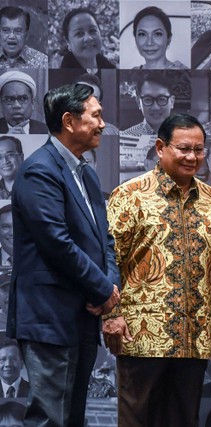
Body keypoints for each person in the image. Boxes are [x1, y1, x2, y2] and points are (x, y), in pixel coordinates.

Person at [103, 113, 211, 427]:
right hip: (142, 336)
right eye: (183, 148)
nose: (192, 157)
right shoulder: (130, 194)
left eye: (199, 150)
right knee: (137, 420)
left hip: (194, 338)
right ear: (160, 147)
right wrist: (111, 315)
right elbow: (108, 259)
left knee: (184, 420)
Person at [8, 83, 121, 426]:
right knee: (48, 419)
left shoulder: (85, 173)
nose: (103, 124)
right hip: (49, 318)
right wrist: (103, 290)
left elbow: (106, 241)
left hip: (83, 315)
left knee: (72, 418)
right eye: (96, 115)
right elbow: (57, 244)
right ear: (70, 121)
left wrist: (109, 288)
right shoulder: (39, 170)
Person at [121, 72, 175, 137]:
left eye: (161, 99)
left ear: (172, 101)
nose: (155, 107)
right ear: (138, 102)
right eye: (148, 99)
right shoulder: (125, 137)